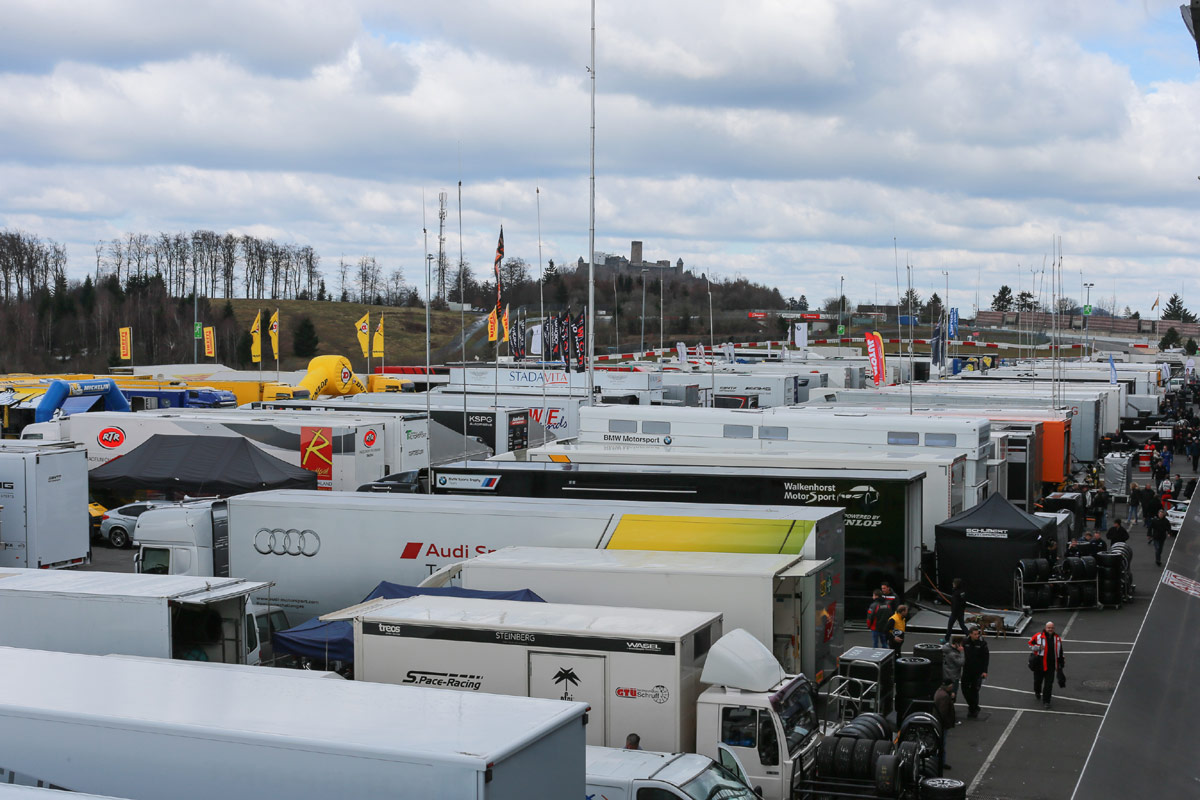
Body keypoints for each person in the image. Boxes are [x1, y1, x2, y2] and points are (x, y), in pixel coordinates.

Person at [1028, 621, 1065, 709]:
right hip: (1039, 664)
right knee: (1038, 681)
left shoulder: (1057, 638)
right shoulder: (1038, 636)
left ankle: (1046, 701)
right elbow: (1030, 643)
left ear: (1054, 628)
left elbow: (1060, 651)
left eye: (1052, 628)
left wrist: (1061, 662)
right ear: (1045, 628)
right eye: (1049, 628)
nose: (1050, 629)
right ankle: (1037, 692)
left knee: (1049, 684)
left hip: (1051, 665)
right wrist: (1037, 647)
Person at [961, 627, 990, 719]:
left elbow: (986, 658)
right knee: (964, 688)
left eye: (978, 634)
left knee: (974, 689)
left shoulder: (982, 643)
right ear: (970, 634)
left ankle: (973, 709)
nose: (977, 636)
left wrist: (985, 671)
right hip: (967, 669)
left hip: (978, 671)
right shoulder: (965, 642)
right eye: (975, 634)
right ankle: (973, 706)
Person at [932, 679, 956, 771]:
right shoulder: (944, 697)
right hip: (941, 725)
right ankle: (940, 763)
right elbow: (943, 713)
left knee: (940, 744)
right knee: (941, 744)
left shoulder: (940, 692)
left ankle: (940, 762)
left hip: (938, 723)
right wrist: (947, 723)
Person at [944, 578, 969, 642]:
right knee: (962, 625)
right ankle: (969, 636)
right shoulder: (962, 592)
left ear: (956, 584)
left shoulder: (956, 593)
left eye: (954, 583)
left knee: (950, 626)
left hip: (955, 612)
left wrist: (954, 613)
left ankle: (946, 639)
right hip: (960, 612)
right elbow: (964, 602)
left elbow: (955, 604)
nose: (952, 584)